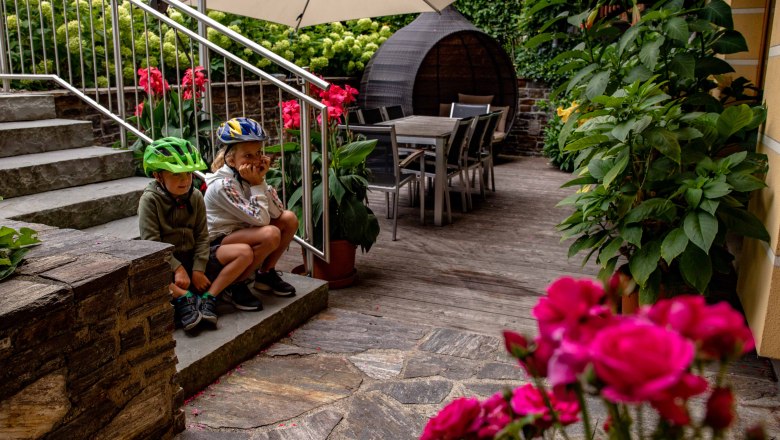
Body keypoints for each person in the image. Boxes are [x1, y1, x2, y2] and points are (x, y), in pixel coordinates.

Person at [138, 137, 258, 332]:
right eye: (177, 175)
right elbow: (152, 244)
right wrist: (177, 269)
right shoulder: (150, 200)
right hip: (167, 263)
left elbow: (202, 236)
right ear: (158, 176)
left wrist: (198, 269)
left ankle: (208, 299)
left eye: (188, 174)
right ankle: (184, 298)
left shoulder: (194, 195)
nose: (185, 180)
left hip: (195, 257)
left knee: (244, 253)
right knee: (146, 276)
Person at [204, 117, 299, 307]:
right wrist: (257, 185)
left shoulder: (248, 177)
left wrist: (261, 182)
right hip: (218, 244)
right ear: (231, 159)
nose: (256, 160)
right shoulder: (223, 185)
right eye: (248, 156)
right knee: (270, 233)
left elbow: (277, 212)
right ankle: (234, 285)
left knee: (289, 218)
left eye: (258, 153)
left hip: (245, 232)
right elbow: (263, 221)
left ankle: (265, 274)